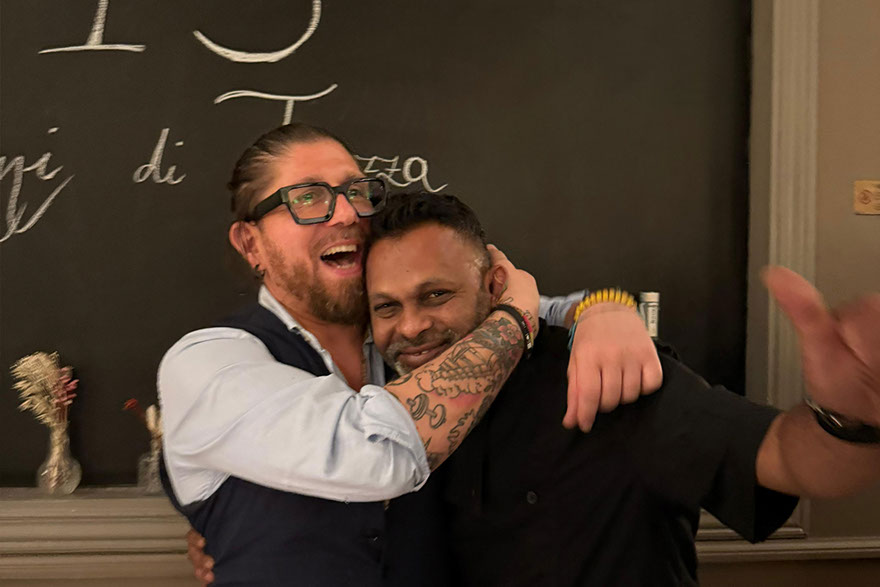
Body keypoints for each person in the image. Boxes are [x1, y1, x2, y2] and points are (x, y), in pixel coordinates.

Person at [186, 191, 880, 586]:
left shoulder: (599, 376)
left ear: (495, 286)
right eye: (387, 307)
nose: (412, 326)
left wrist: (849, 415)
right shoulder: (386, 418)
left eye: (436, 295)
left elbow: (786, 459)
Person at [158, 124, 662, 585]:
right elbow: (376, 449)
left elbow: (543, 308)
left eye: (356, 192)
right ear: (251, 243)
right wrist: (515, 316)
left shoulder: (411, 335)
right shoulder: (206, 363)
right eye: (308, 197)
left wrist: (604, 309)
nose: (347, 213)